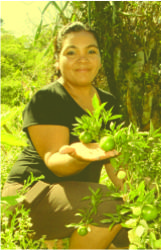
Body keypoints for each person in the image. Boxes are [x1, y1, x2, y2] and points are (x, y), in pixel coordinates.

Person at [2, 22, 128, 249]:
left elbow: (117, 165)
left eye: (91, 51)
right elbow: (55, 162)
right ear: (57, 61)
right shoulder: (48, 98)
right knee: (112, 206)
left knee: (129, 220)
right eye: (71, 52)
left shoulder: (109, 103)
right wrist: (79, 155)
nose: (83, 59)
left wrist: (138, 189)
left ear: (100, 58)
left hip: (73, 199)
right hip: (30, 196)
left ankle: (61, 240)